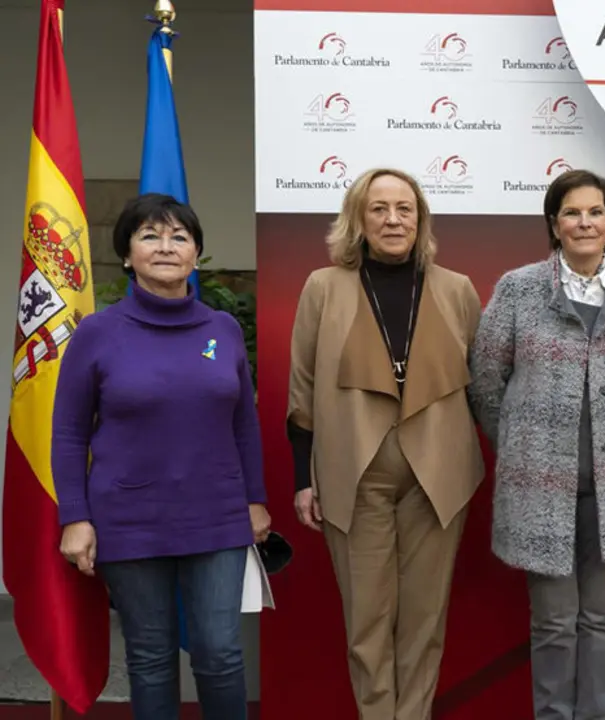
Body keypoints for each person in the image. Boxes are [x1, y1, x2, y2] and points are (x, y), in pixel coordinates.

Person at [54, 193, 268, 720]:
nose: (166, 247)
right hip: (129, 517)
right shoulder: (97, 333)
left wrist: (255, 501)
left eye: (179, 236)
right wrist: (75, 517)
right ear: (127, 254)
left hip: (216, 515)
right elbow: (68, 432)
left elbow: (244, 424)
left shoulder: (222, 330)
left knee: (220, 653)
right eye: (150, 236)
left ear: (196, 252)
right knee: (150, 658)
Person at [287, 167, 485, 719]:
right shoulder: (322, 288)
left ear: (420, 219)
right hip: (354, 474)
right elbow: (301, 388)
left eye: (405, 208)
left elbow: (482, 386)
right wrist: (305, 477)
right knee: (367, 623)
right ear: (358, 219)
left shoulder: (457, 289)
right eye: (379, 208)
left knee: (425, 620)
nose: (393, 219)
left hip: (438, 479)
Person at [468, 169, 605, 720]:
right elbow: (486, 380)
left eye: (596, 212)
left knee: (601, 621)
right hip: (539, 489)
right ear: (554, 224)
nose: (585, 222)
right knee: (554, 623)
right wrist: (522, 443)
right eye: (572, 212)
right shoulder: (518, 288)